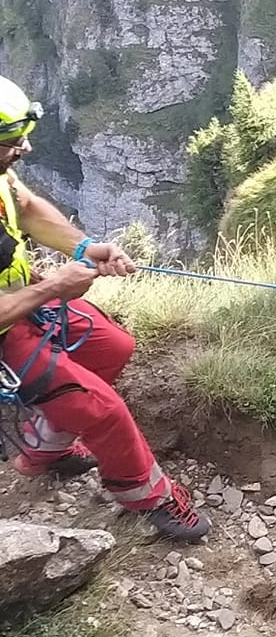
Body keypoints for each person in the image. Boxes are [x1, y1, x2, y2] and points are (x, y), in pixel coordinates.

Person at [0, 77, 210, 540]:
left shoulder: (1, 175)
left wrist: (86, 248)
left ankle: (44, 450)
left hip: (20, 301)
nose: (27, 148)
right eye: (13, 143)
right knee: (104, 411)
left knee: (111, 346)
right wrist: (52, 286)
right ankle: (149, 497)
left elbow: (28, 207)